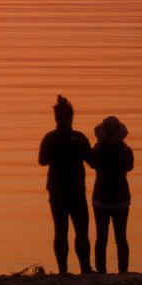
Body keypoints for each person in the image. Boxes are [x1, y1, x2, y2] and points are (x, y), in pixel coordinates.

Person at [38, 95, 93, 274]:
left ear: (56, 118)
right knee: (82, 231)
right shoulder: (79, 138)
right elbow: (93, 161)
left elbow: (42, 161)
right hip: (76, 190)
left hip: (57, 190)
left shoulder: (50, 138)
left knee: (60, 231)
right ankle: (85, 268)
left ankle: (63, 270)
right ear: (71, 117)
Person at [90, 116, 134, 274]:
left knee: (101, 238)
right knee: (121, 238)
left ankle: (101, 271)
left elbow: (92, 163)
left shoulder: (98, 151)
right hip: (121, 198)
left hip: (101, 197)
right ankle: (123, 271)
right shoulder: (125, 152)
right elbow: (129, 167)